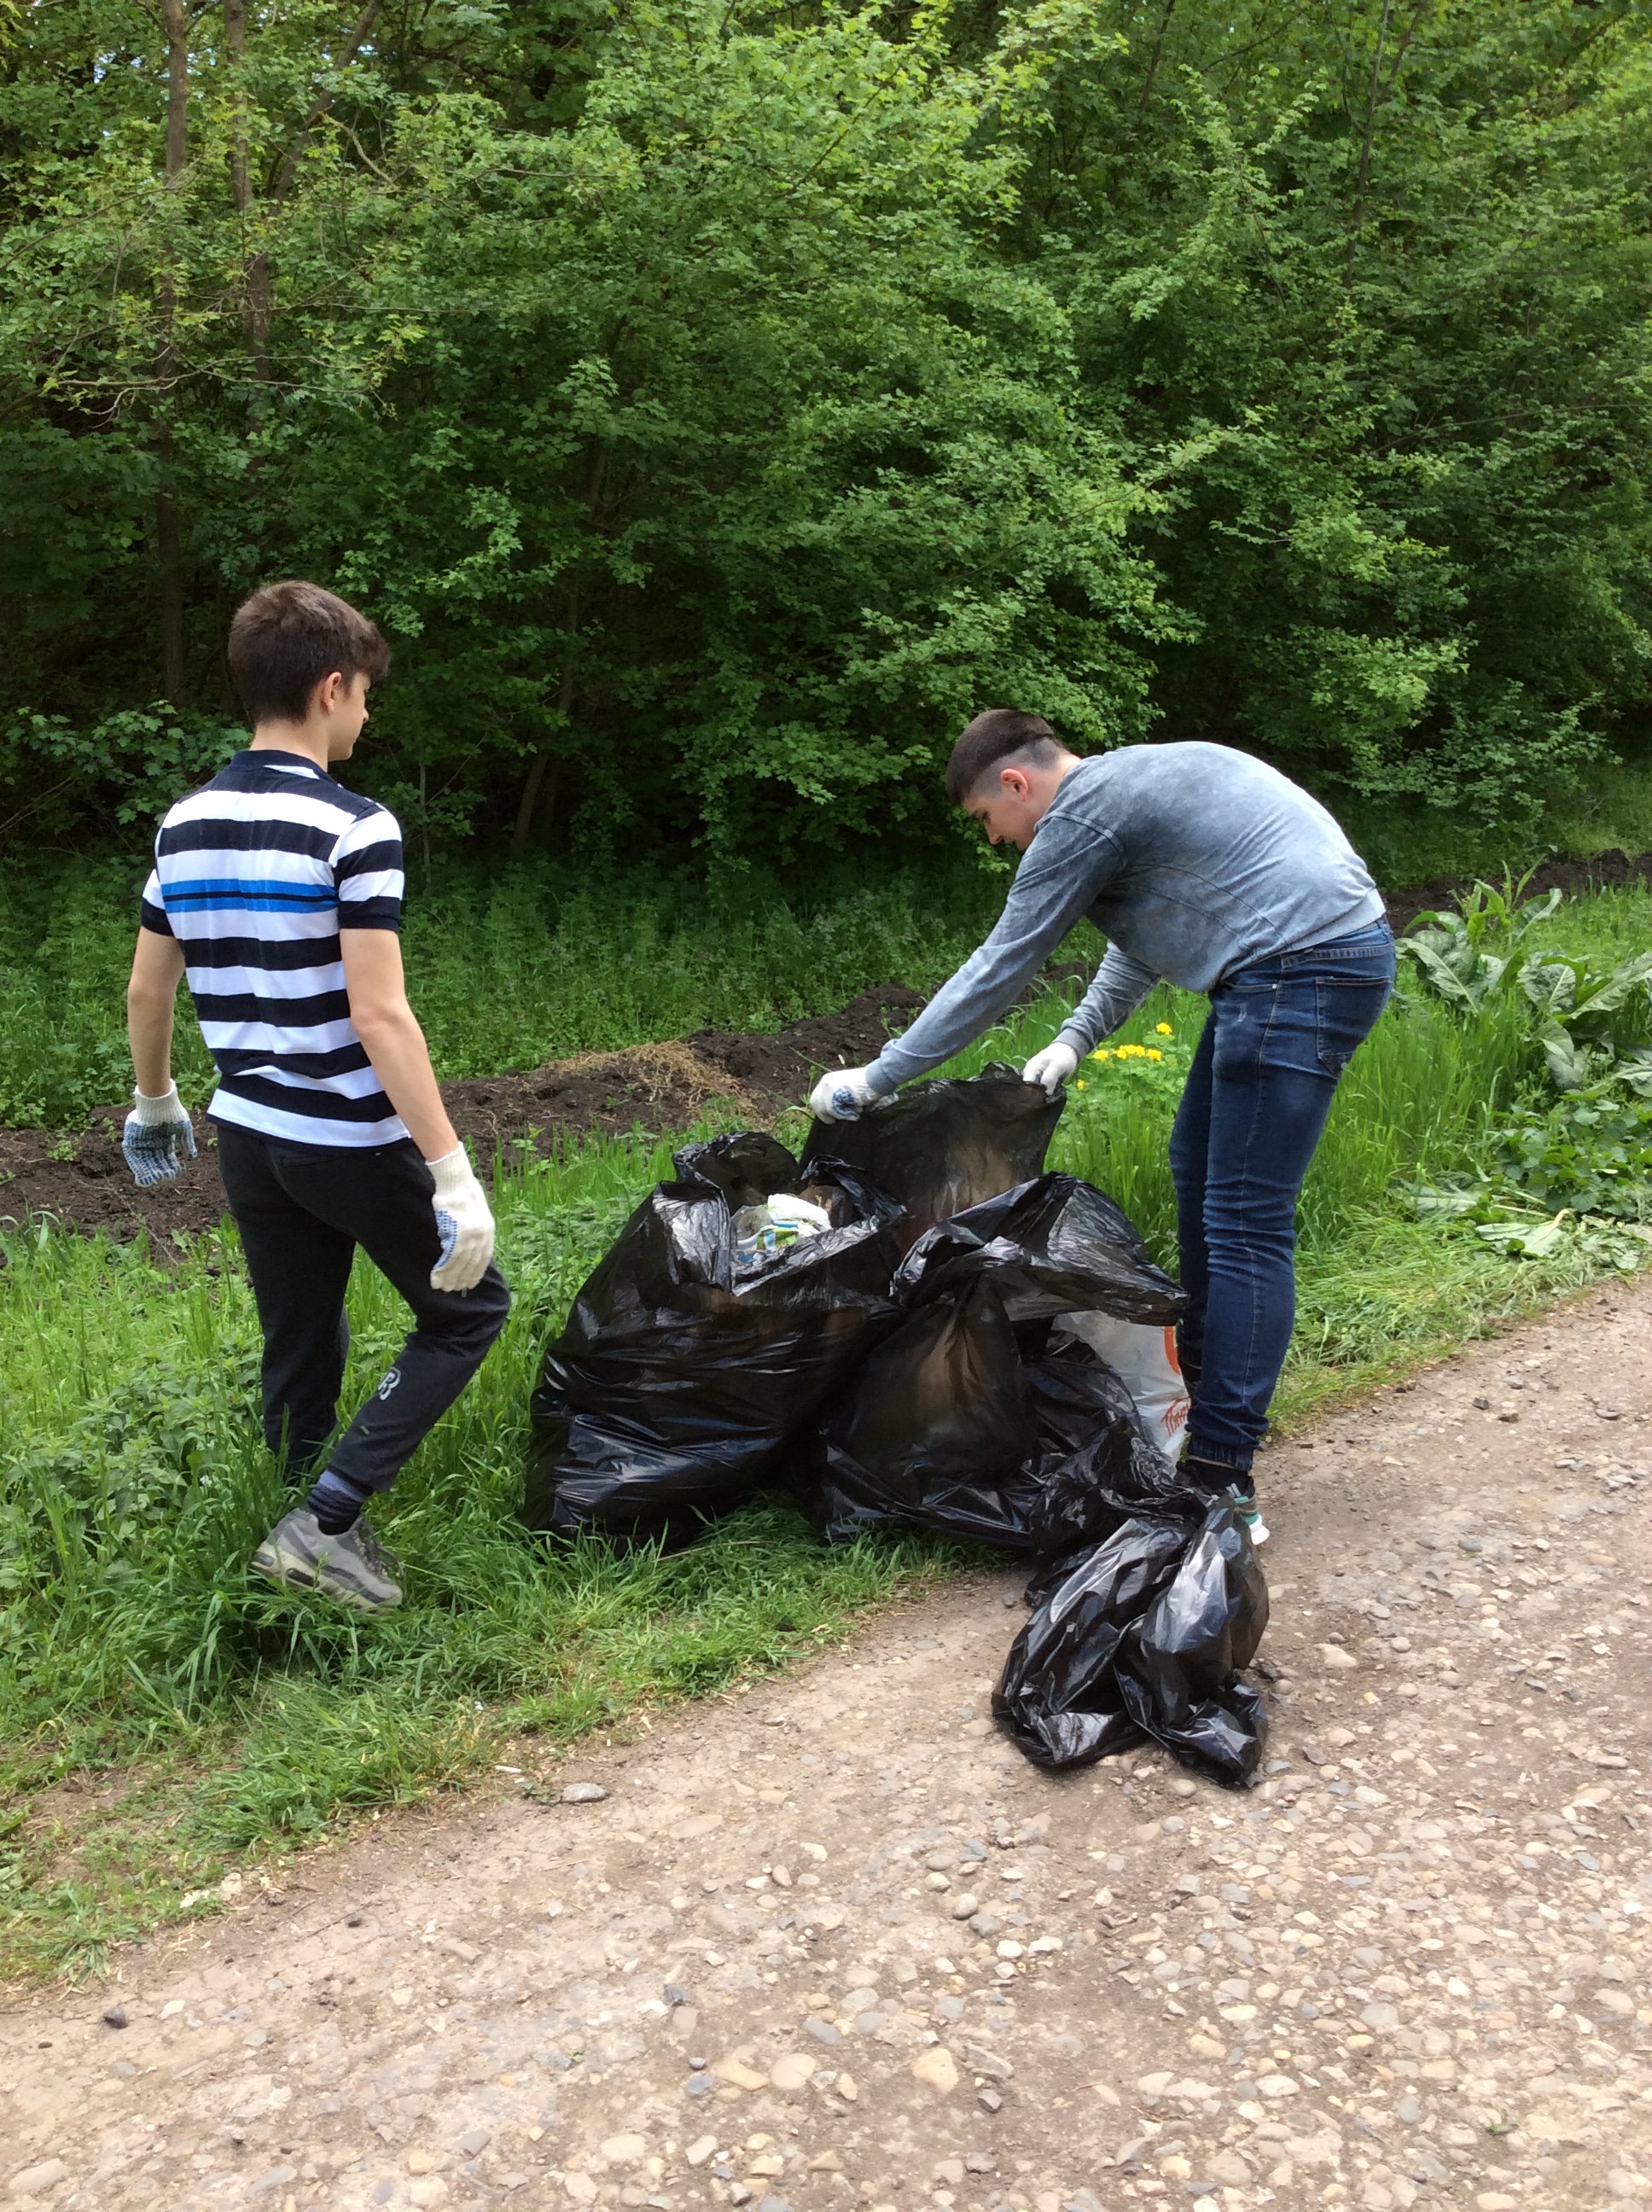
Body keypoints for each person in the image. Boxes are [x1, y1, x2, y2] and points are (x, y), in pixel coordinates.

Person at [808, 711, 1395, 1536]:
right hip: (1296, 965)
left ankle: (1222, 1479)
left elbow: (999, 967)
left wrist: (879, 1075)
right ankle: (1197, 1409)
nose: (997, 840)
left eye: (987, 821)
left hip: (1296, 972)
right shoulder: (1128, 791)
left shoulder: (1084, 812)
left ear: (1015, 783)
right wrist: (1077, 1038)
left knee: (1245, 1223)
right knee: (1199, 1176)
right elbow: (1142, 940)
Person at [122, 579, 510, 1611]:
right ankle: (325, 1519)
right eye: (366, 696)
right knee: (470, 1315)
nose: (368, 717)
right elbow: (381, 1016)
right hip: (344, 1133)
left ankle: (301, 1530)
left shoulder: (184, 822)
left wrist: (155, 1102)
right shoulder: (354, 826)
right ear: (331, 688)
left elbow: (146, 988)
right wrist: (450, 1172)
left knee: (300, 1342)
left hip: (246, 1134)